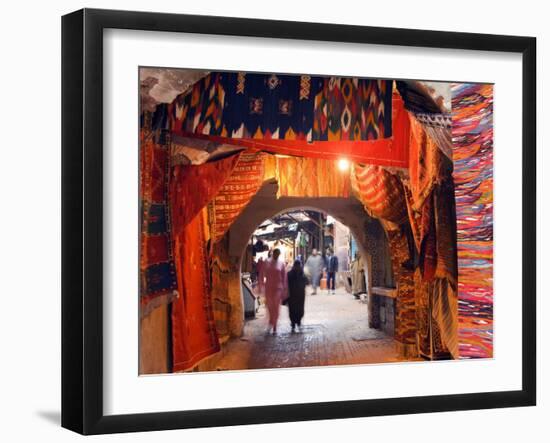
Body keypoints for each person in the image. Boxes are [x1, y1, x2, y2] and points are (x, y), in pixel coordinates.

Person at [262, 248, 287, 334]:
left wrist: (284, 289)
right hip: (269, 288)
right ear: (273, 254)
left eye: (278, 254)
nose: (276, 255)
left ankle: (274, 325)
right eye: (275, 254)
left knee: (276, 307)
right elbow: (261, 274)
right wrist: (260, 285)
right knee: (270, 307)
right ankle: (270, 321)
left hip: (278, 288)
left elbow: (284, 277)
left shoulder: (281, 264)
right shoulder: (267, 262)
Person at [287, 260, 308, 332]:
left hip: (293, 295)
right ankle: (297, 322)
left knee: (292, 309)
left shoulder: (289, 274)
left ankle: (293, 323)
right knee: (299, 309)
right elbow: (307, 281)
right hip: (299, 295)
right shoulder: (302, 273)